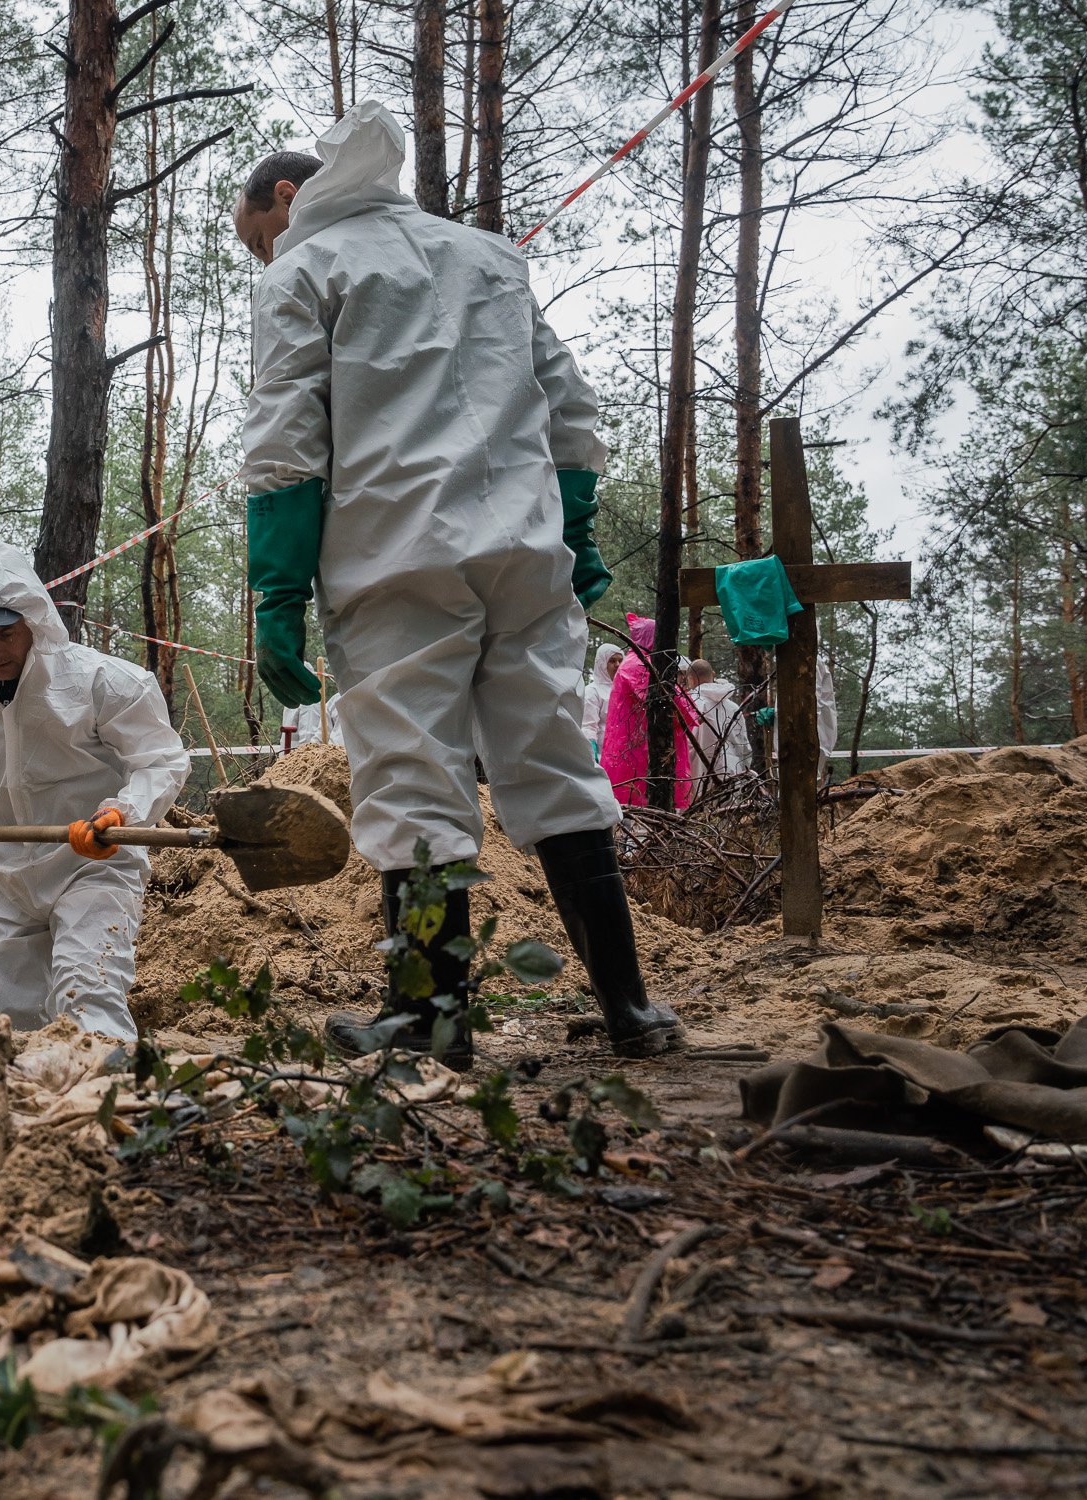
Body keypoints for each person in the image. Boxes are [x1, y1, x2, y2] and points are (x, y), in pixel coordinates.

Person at [231, 102, 684, 1062]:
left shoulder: (307, 271)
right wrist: (578, 527)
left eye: (255, 236)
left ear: (287, 197)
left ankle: (431, 1019)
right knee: (556, 765)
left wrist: (275, 591)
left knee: (413, 776)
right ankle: (631, 1011)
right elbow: (568, 405)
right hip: (522, 551)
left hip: (397, 557)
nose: (260, 255)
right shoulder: (489, 258)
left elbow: (284, 444)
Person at [0, 543, 188, 1042]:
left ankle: (105, 1095)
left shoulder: (102, 681)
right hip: (6, 863)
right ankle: (28, 1106)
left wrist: (124, 814)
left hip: (94, 862)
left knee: (87, 988)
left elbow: (161, 759)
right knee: (8, 1008)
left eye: (7, 635)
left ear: (34, 622)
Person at [601, 615, 698, 812]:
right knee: (637, 806)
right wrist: (690, 713)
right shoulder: (636, 665)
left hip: (636, 746)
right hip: (637, 749)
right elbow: (665, 697)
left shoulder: (640, 663)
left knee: (638, 804)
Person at [685, 658, 751, 800]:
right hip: (732, 774)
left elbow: (686, 745)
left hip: (700, 775)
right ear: (713, 674)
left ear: (691, 679)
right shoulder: (733, 707)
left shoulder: (692, 705)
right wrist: (745, 768)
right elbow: (743, 744)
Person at [581, 643, 623, 754]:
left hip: (623, 755)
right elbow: (588, 726)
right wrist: (592, 753)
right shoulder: (592, 691)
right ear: (602, 663)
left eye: (620, 661)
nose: (617, 665)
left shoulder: (624, 691)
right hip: (601, 755)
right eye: (612, 661)